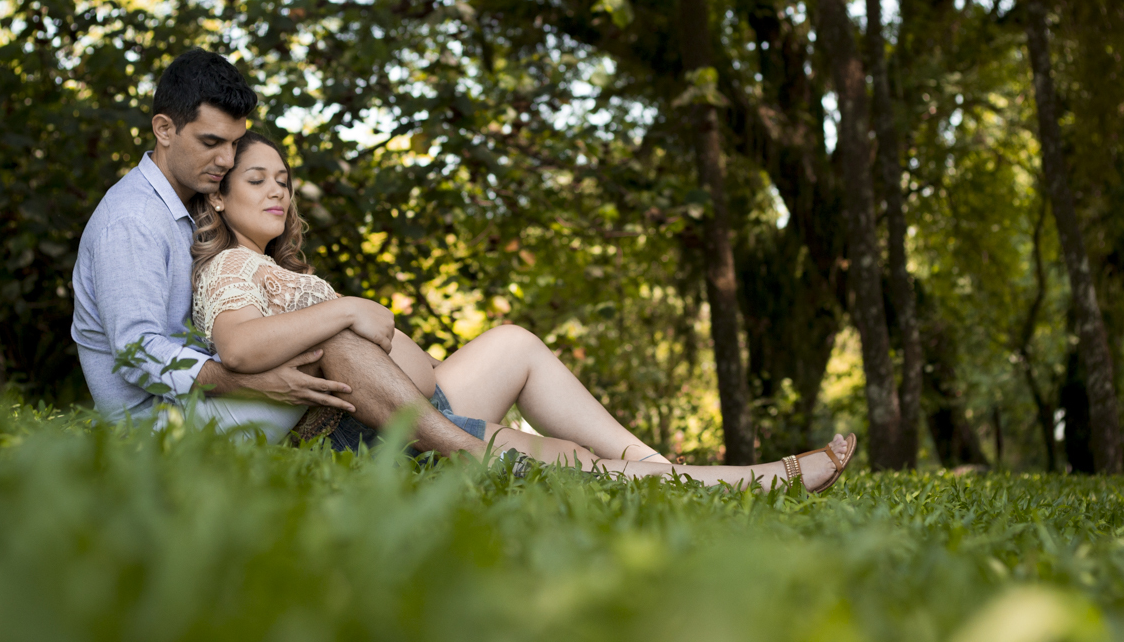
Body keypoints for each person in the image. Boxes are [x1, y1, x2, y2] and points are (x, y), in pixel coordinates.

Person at [72, 48, 853, 492]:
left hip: (347, 413)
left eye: (236, 150)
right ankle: (485, 456)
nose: (224, 162)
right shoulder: (136, 221)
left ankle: (697, 476)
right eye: (213, 147)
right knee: (358, 352)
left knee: (531, 388)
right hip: (173, 439)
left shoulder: (188, 218)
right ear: (163, 127)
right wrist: (276, 359)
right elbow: (147, 348)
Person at [190, 127, 856, 491]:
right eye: (258, 180)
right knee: (558, 456)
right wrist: (347, 312)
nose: (278, 191)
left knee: (521, 358)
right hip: (368, 434)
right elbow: (241, 348)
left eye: (283, 180)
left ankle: (671, 468)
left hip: (419, 410)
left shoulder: (277, 269)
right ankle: (758, 480)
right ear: (219, 198)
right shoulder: (231, 266)